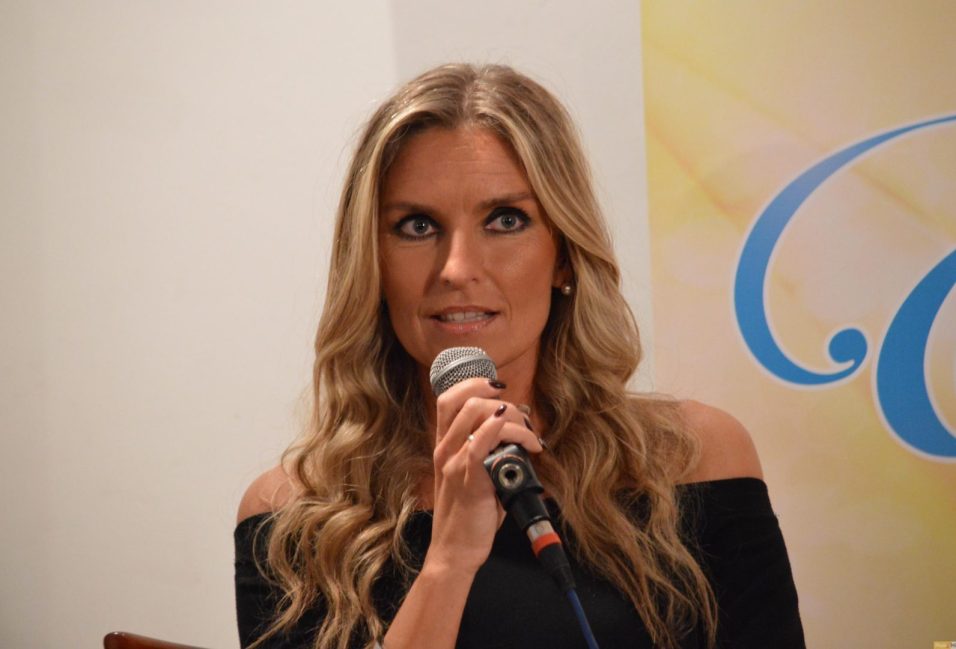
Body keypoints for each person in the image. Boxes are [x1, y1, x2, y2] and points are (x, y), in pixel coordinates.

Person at [234, 63, 805, 649]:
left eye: (505, 220)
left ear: (564, 255)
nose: (457, 269)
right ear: (371, 264)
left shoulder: (694, 460)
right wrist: (449, 559)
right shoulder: (290, 518)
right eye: (417, 226)